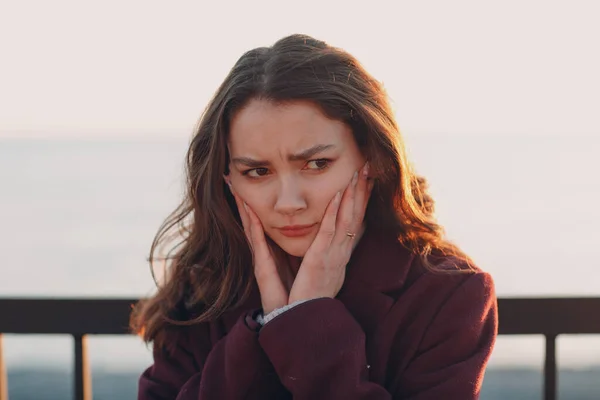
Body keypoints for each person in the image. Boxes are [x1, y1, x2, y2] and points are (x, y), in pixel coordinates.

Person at [130, 33, 498, 400]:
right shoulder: (204, 288)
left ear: (373, 158)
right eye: (257, 171)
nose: (288, 202)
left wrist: (306, 321)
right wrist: (267, 328)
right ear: (227, 180)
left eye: (316, 164)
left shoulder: (447, 295)